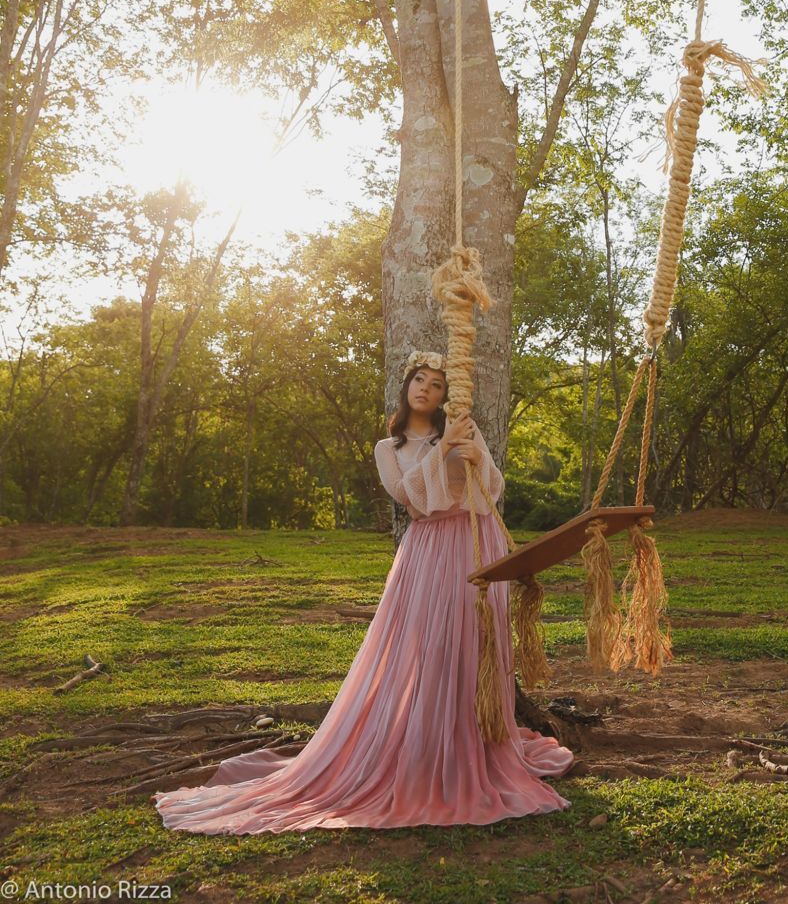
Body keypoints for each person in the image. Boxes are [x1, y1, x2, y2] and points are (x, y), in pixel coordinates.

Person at [152, 350, 573, 833]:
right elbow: (410, 502)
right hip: (429, 550)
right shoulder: (386, 448)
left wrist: (474, 453)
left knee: (476, 643)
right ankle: (425, 746)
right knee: (426, 645)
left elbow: (491, 492)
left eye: (437, 385)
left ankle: (476, 742)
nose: (426, 389)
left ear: (443, 397)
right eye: (420, 380)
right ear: (406, 386)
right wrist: (442, 451)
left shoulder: (461, 430)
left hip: (477, 544)